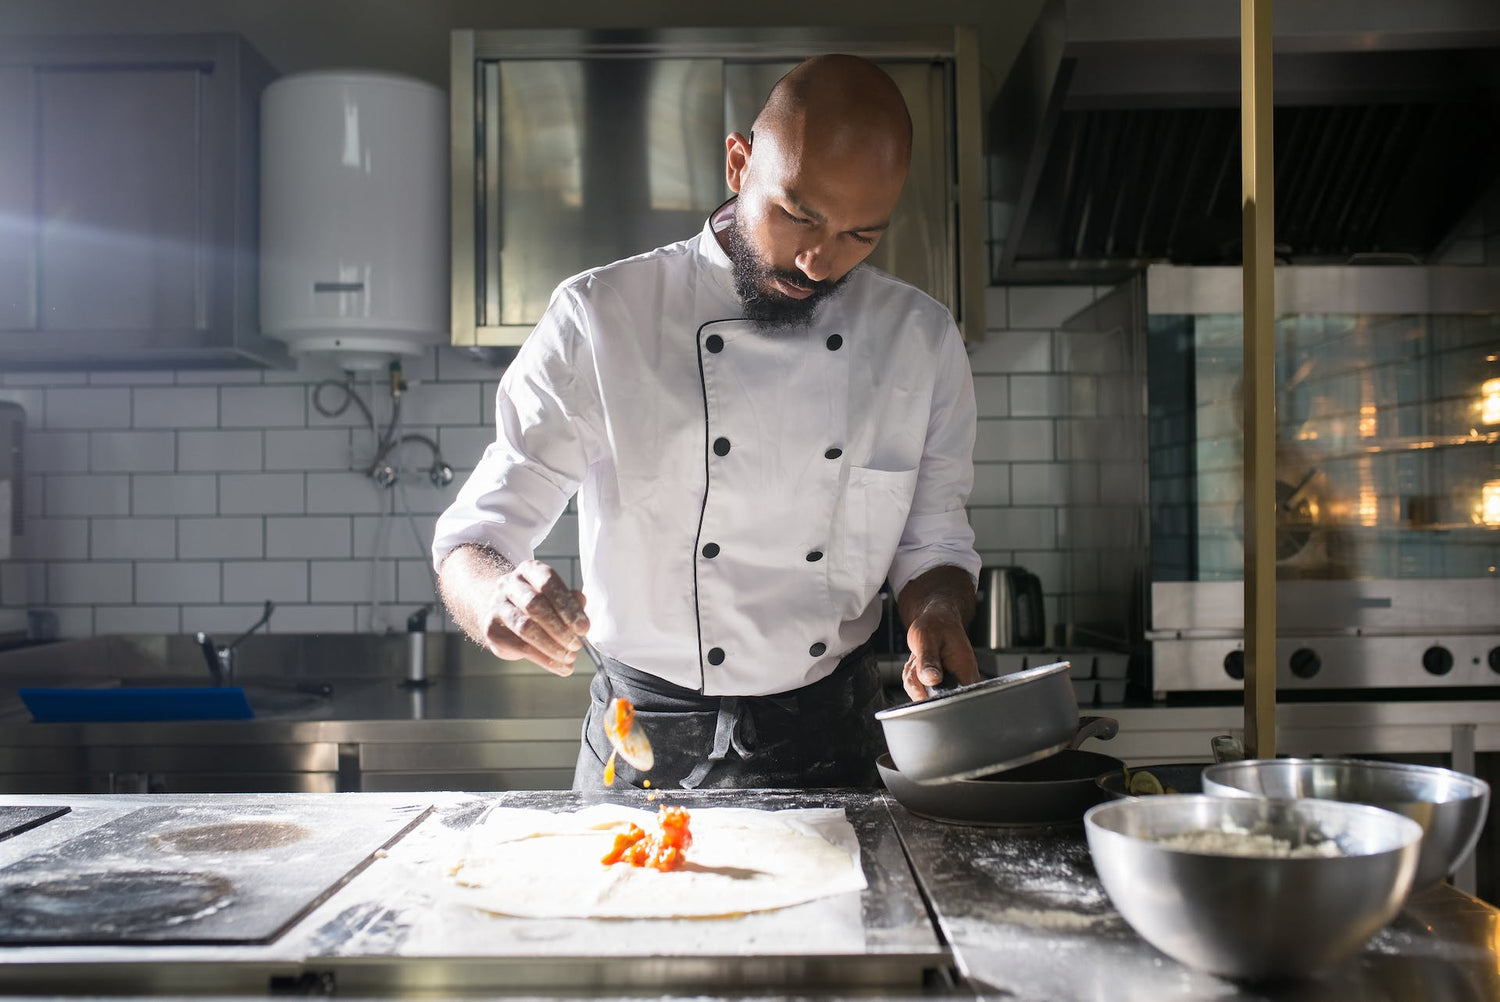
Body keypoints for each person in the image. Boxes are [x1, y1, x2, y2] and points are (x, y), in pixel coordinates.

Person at [434, 54, 980, 790]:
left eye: (861, 236)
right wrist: (497, 596)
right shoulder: (601, 319)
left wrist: (939, 610)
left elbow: (935, 541)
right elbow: (474, 539)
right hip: (641, 744)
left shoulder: (920, 340)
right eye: (799, 214)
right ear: (738, 162)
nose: (819, 262)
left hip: (832, 741)